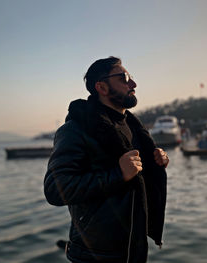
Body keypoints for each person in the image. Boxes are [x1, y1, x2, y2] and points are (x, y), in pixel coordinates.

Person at [44, 56, 168, 263]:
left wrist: (157, 161)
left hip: (133, 249)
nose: (133, 84)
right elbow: (55, 190)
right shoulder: (75, 130)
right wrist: (118, 174)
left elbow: (135, 175)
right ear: (101, 87)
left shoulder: (133, 127)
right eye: (124, 77)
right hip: (95, 255)